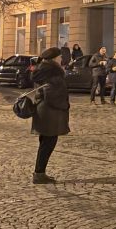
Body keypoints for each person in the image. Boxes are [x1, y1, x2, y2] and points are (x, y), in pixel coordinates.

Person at [30, 47, 70, 184]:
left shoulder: (44, 69)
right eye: (59, 57)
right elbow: (52, 93)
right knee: (48, 142)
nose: (61, 59)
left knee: (45, 142)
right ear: (54, 58)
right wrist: (64, 105)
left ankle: (39, 172)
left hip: (44, 110)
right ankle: (39, 173)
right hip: (50, 111)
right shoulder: (53, 71)